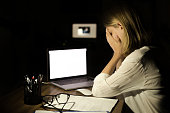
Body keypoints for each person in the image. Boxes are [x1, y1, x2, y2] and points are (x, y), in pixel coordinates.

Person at [92, 4, 164, 113]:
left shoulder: (138, 60)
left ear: (120, 26)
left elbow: (98, 90)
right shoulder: (149, 51)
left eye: (111, 33)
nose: (110, 38)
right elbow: (119, 83)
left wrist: (117, 53)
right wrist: (120, 54)